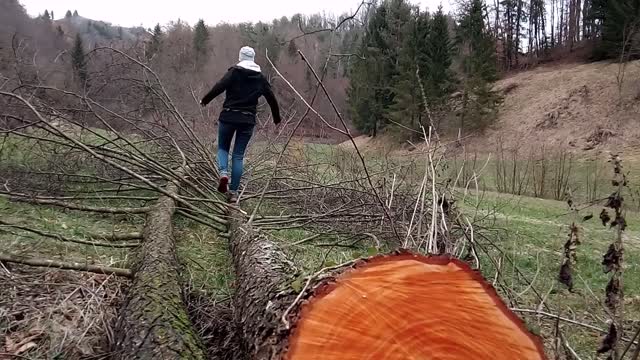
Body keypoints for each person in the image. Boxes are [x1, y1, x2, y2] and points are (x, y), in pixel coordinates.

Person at [200, 46, 281, 202]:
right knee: (238, 156)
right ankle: (234, 193)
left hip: (228, 117)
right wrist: (276, 118)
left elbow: (219, 86)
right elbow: (271, 98)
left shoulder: (234, 72)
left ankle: (224, 173)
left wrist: (205, 100)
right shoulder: (260, 78)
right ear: (253, 59)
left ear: (240, 57)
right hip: (247, 120)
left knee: (223, 148)